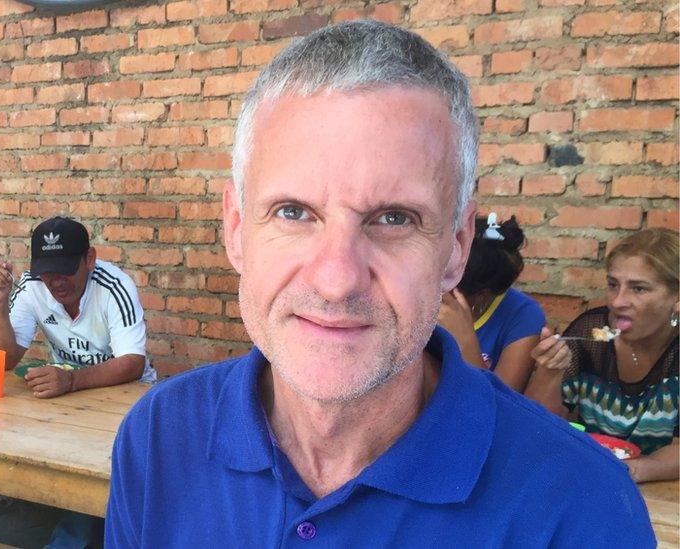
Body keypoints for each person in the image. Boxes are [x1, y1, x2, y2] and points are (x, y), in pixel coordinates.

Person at [105, 20, 653, 547]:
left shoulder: (582, 506)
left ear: (456, 249)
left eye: (394, 219)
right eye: (294, 212)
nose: (337, 279)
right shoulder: (160, 436)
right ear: (236, 231)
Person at [0, 215, 153, 548]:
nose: (56, 281)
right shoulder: (33, 286)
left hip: (127, 395)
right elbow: (6, 358)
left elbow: (133, 362)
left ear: (89, 259)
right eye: (47, 271)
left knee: (105, 461)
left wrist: (71, 381)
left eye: (66, 269)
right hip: (71, 396)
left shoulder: (114, 286)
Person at [526, 228, 678, 483]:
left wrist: (629, 471)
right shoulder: (588, 333)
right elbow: (536, 425)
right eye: (613, 285)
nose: (617, 302)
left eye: (639, 289)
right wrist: (549, 372)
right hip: (590, 481)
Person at [437, 214, 545, 392]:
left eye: (445, 283)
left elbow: (502, 404)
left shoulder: (524, 316)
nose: (437, 290)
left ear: (482, 294)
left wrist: (466, 342)